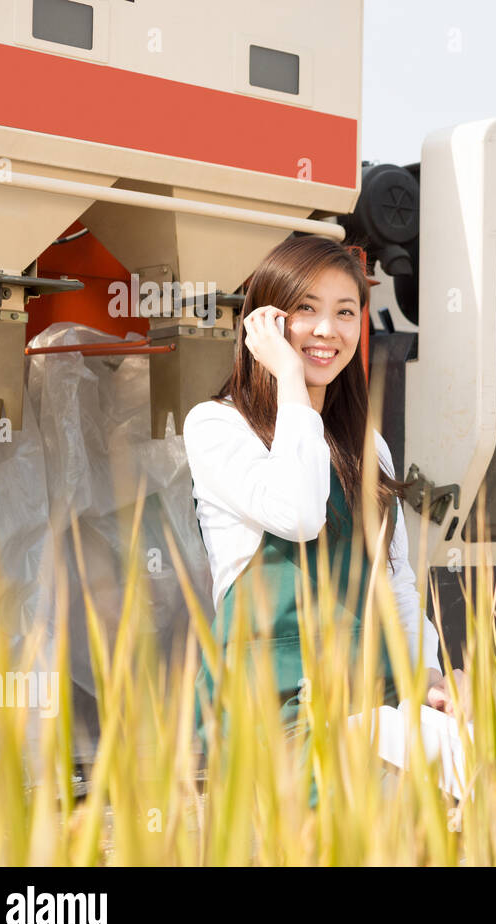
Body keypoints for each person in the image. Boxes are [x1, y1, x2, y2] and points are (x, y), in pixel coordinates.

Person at [183, 234, 463, 751]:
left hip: (373, 698)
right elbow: (298, 514)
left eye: (346, 312)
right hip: (272, 716)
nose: (327, 330)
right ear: (264, 320)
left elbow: (394, 579)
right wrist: (288, 375)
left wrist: (426, 671)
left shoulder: (367, 446)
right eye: (305, 309)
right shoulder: (216, 426)